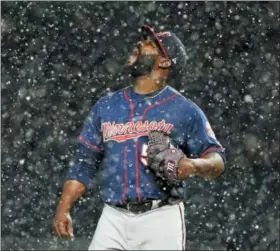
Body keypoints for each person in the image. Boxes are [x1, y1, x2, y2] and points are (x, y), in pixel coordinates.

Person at [53, 25, 226, 250]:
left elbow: (218, 160)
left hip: (161, 218)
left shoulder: (184, 110)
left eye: (150, 45)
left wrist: (192, 165)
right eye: (143, 40)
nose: (140, 44)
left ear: (164, 62)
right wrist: (63, 208)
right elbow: (84, 163)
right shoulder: (106, 106)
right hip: (113, 217)